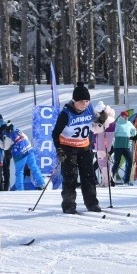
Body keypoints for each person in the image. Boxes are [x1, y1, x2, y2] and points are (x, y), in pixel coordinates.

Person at [52, 82, 102, 214]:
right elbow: (55, 133)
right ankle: (69, 205)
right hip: (68, 148)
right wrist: (59, 149)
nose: (84, 104)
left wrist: (102, 118)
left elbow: (97, 119)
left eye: (86, 101)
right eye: (81, 101)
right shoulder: (66, 114)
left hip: (84, 148)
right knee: (70, 177)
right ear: (74, 101)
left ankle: (92, 203)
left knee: (89, 176)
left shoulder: (90, 108)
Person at [0, 120, 46, 191]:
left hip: (19, 152)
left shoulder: (5, 134)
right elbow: (25, 137)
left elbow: (5, 147)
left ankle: (19, 189)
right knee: (34, 167)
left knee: (19, 171)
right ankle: (42, 184)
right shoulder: (16, 129)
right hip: (28, 148)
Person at [90, 102, 116, 187]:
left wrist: (93, 124)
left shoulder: (107, 119)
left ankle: (107, 182)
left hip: (102, 144)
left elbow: (96, 130)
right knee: (103, 163)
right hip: (103, 143)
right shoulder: (110, 117)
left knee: (102, 163)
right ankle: (106, 181)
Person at [111, 110, 137, 186]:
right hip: (118, 146)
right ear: (121, 116)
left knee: (130, 161)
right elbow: (113, 134)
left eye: (127, 116)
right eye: (124, 116)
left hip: (126, 146)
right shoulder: (117, 123)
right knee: (117, 162)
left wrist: (134, 132)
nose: (126, 117)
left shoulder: (129, 123)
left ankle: (126, 180)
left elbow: (133, 131)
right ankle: (111, 178)